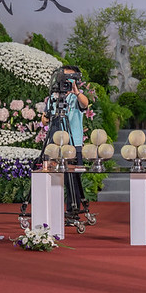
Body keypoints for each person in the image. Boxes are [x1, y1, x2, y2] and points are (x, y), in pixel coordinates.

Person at [41, 65, 90, 217]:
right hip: (55, 144)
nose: (67, 80)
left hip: (73, 144)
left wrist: (76, 91)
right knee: (51, 176)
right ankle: (49, 210)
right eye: (64, 77)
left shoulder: (77, 97)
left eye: (71, 77)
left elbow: (85, 104)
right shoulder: (53, 98)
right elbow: (44, 119)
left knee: (72, 180)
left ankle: (72, 211)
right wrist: (48, 114)